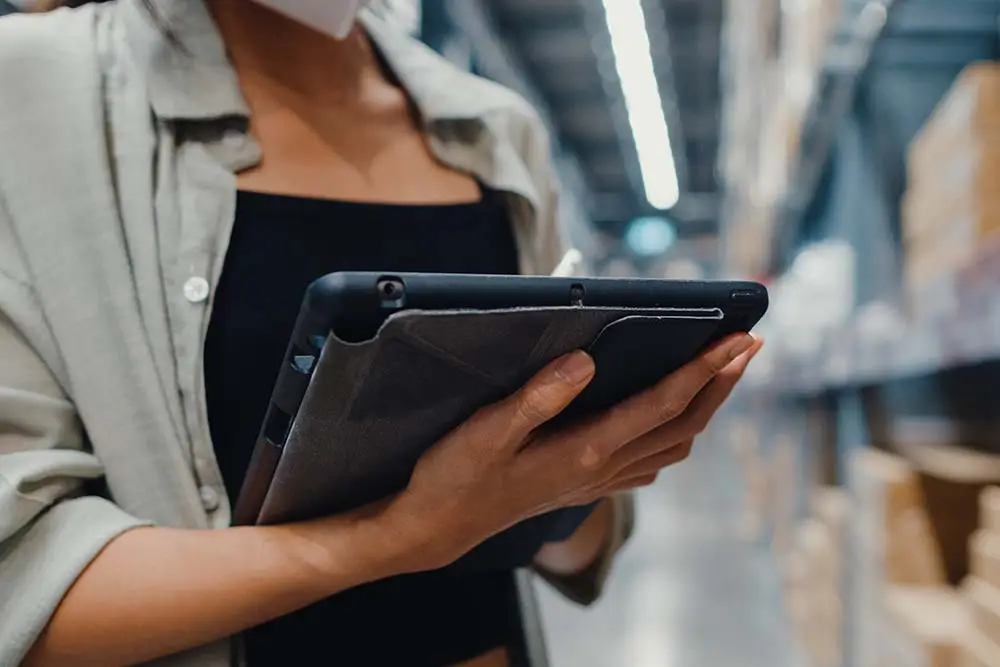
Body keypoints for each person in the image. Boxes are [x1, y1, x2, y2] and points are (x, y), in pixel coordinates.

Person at [0, 1, 763, 666]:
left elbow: (570, 543)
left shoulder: (496, 132)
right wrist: (392, 538)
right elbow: (18, 586)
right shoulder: (32, 91)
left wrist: (581, 471)